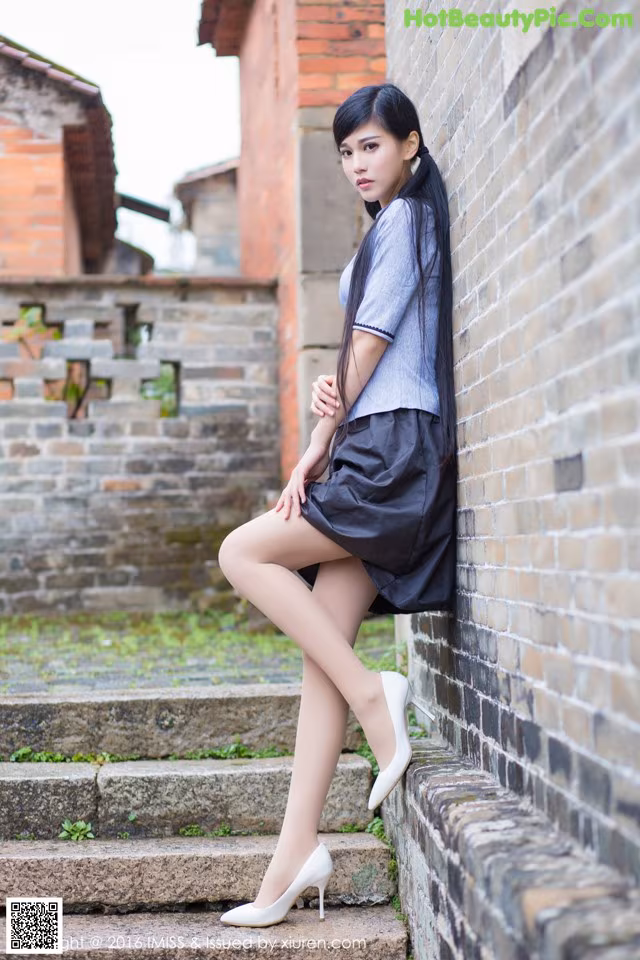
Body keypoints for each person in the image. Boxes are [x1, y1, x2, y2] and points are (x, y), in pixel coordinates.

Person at [217, 81, 457, 927]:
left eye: (372, 146)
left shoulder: (409, 219)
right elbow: (369, 350)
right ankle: (293, 858)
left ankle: (374, 696)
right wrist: (334, 398)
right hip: (378, 436)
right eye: (347, 150)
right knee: (322, 659)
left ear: (410, 144)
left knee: (242, 551)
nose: (357, 162)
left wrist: (319, 440)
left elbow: (375, 342)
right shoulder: (392, 224)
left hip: (387, 450)